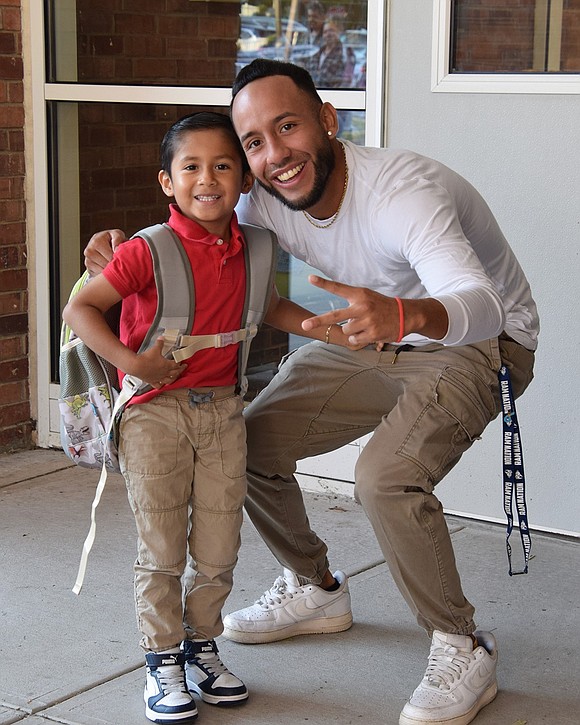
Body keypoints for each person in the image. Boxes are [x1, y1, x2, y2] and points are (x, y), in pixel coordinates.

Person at [83, 61, 539, 725]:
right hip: (368, 332)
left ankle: (462, 643)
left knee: (385, 477)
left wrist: (405, 316)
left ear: (328, 119)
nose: (275, 154)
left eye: (288, 125)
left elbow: (484, 306)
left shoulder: (402, 191)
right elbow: (192, 217)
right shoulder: (260, 193)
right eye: (255, 143)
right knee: (249, 443)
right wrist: (120, 248)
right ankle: (317, 587)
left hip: (477, 344)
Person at [66, 110, 355, 725]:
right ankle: (161, 658)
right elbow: (84, 309)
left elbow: (265, 304)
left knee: (220, 546)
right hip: (153, 416)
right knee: (163, 545)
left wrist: (311, 324)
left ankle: (202, 645)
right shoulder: (147, 251)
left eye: (224, 165)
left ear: (245, 180)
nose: (208, 179)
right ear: (167, 182)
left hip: (223, 411)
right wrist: (131, 360)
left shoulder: (253, 244)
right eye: (191, 167)